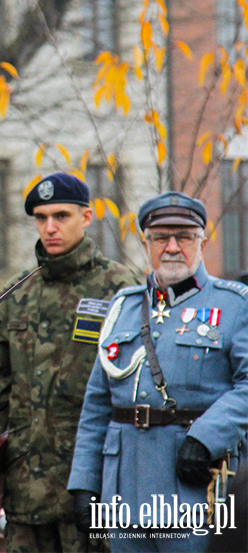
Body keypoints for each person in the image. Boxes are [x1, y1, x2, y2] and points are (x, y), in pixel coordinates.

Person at [67, 192, 248, 552]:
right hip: (124, 495)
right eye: (160, 237)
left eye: (184, 237)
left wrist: (206, 437)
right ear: (146, 243)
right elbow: (97, 405)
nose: (172, 247)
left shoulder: (235, 304)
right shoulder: (124, 306)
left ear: (202, 240)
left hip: (196, 490)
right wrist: (85, 484)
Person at [0, 173, 140, 553]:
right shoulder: (17, 294)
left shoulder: (120, 288)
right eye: (41, 218)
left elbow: (133, 386)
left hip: (92, 486)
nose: (50, 228)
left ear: (87, 216)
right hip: (25, 491)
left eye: (61, 216)